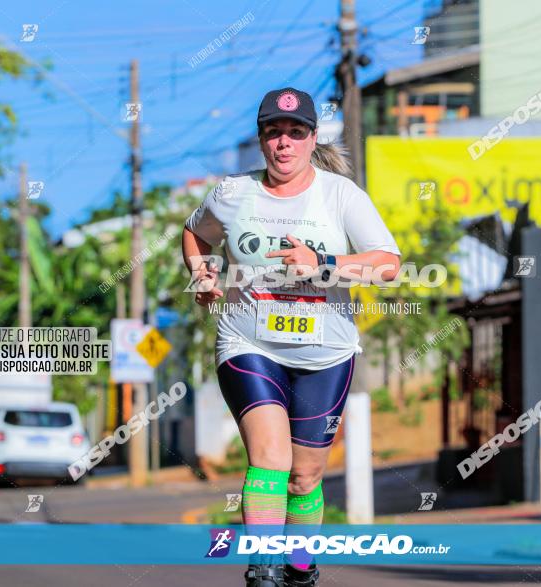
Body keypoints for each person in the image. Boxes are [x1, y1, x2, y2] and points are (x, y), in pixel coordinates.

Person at [182, 87, 401, 587]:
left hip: (325, 353)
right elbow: (195, 234)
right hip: (248, 343)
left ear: (310, 139)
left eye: (295, 133)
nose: (284, 144)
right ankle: (262, 572)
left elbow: (388, 265)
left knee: (305, 477)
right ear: (261, 141)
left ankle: (300, 571)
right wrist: (202, 272)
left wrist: (323, 263)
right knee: (271, 459)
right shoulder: (233, 193)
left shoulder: (341, 196)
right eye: (274, 133)